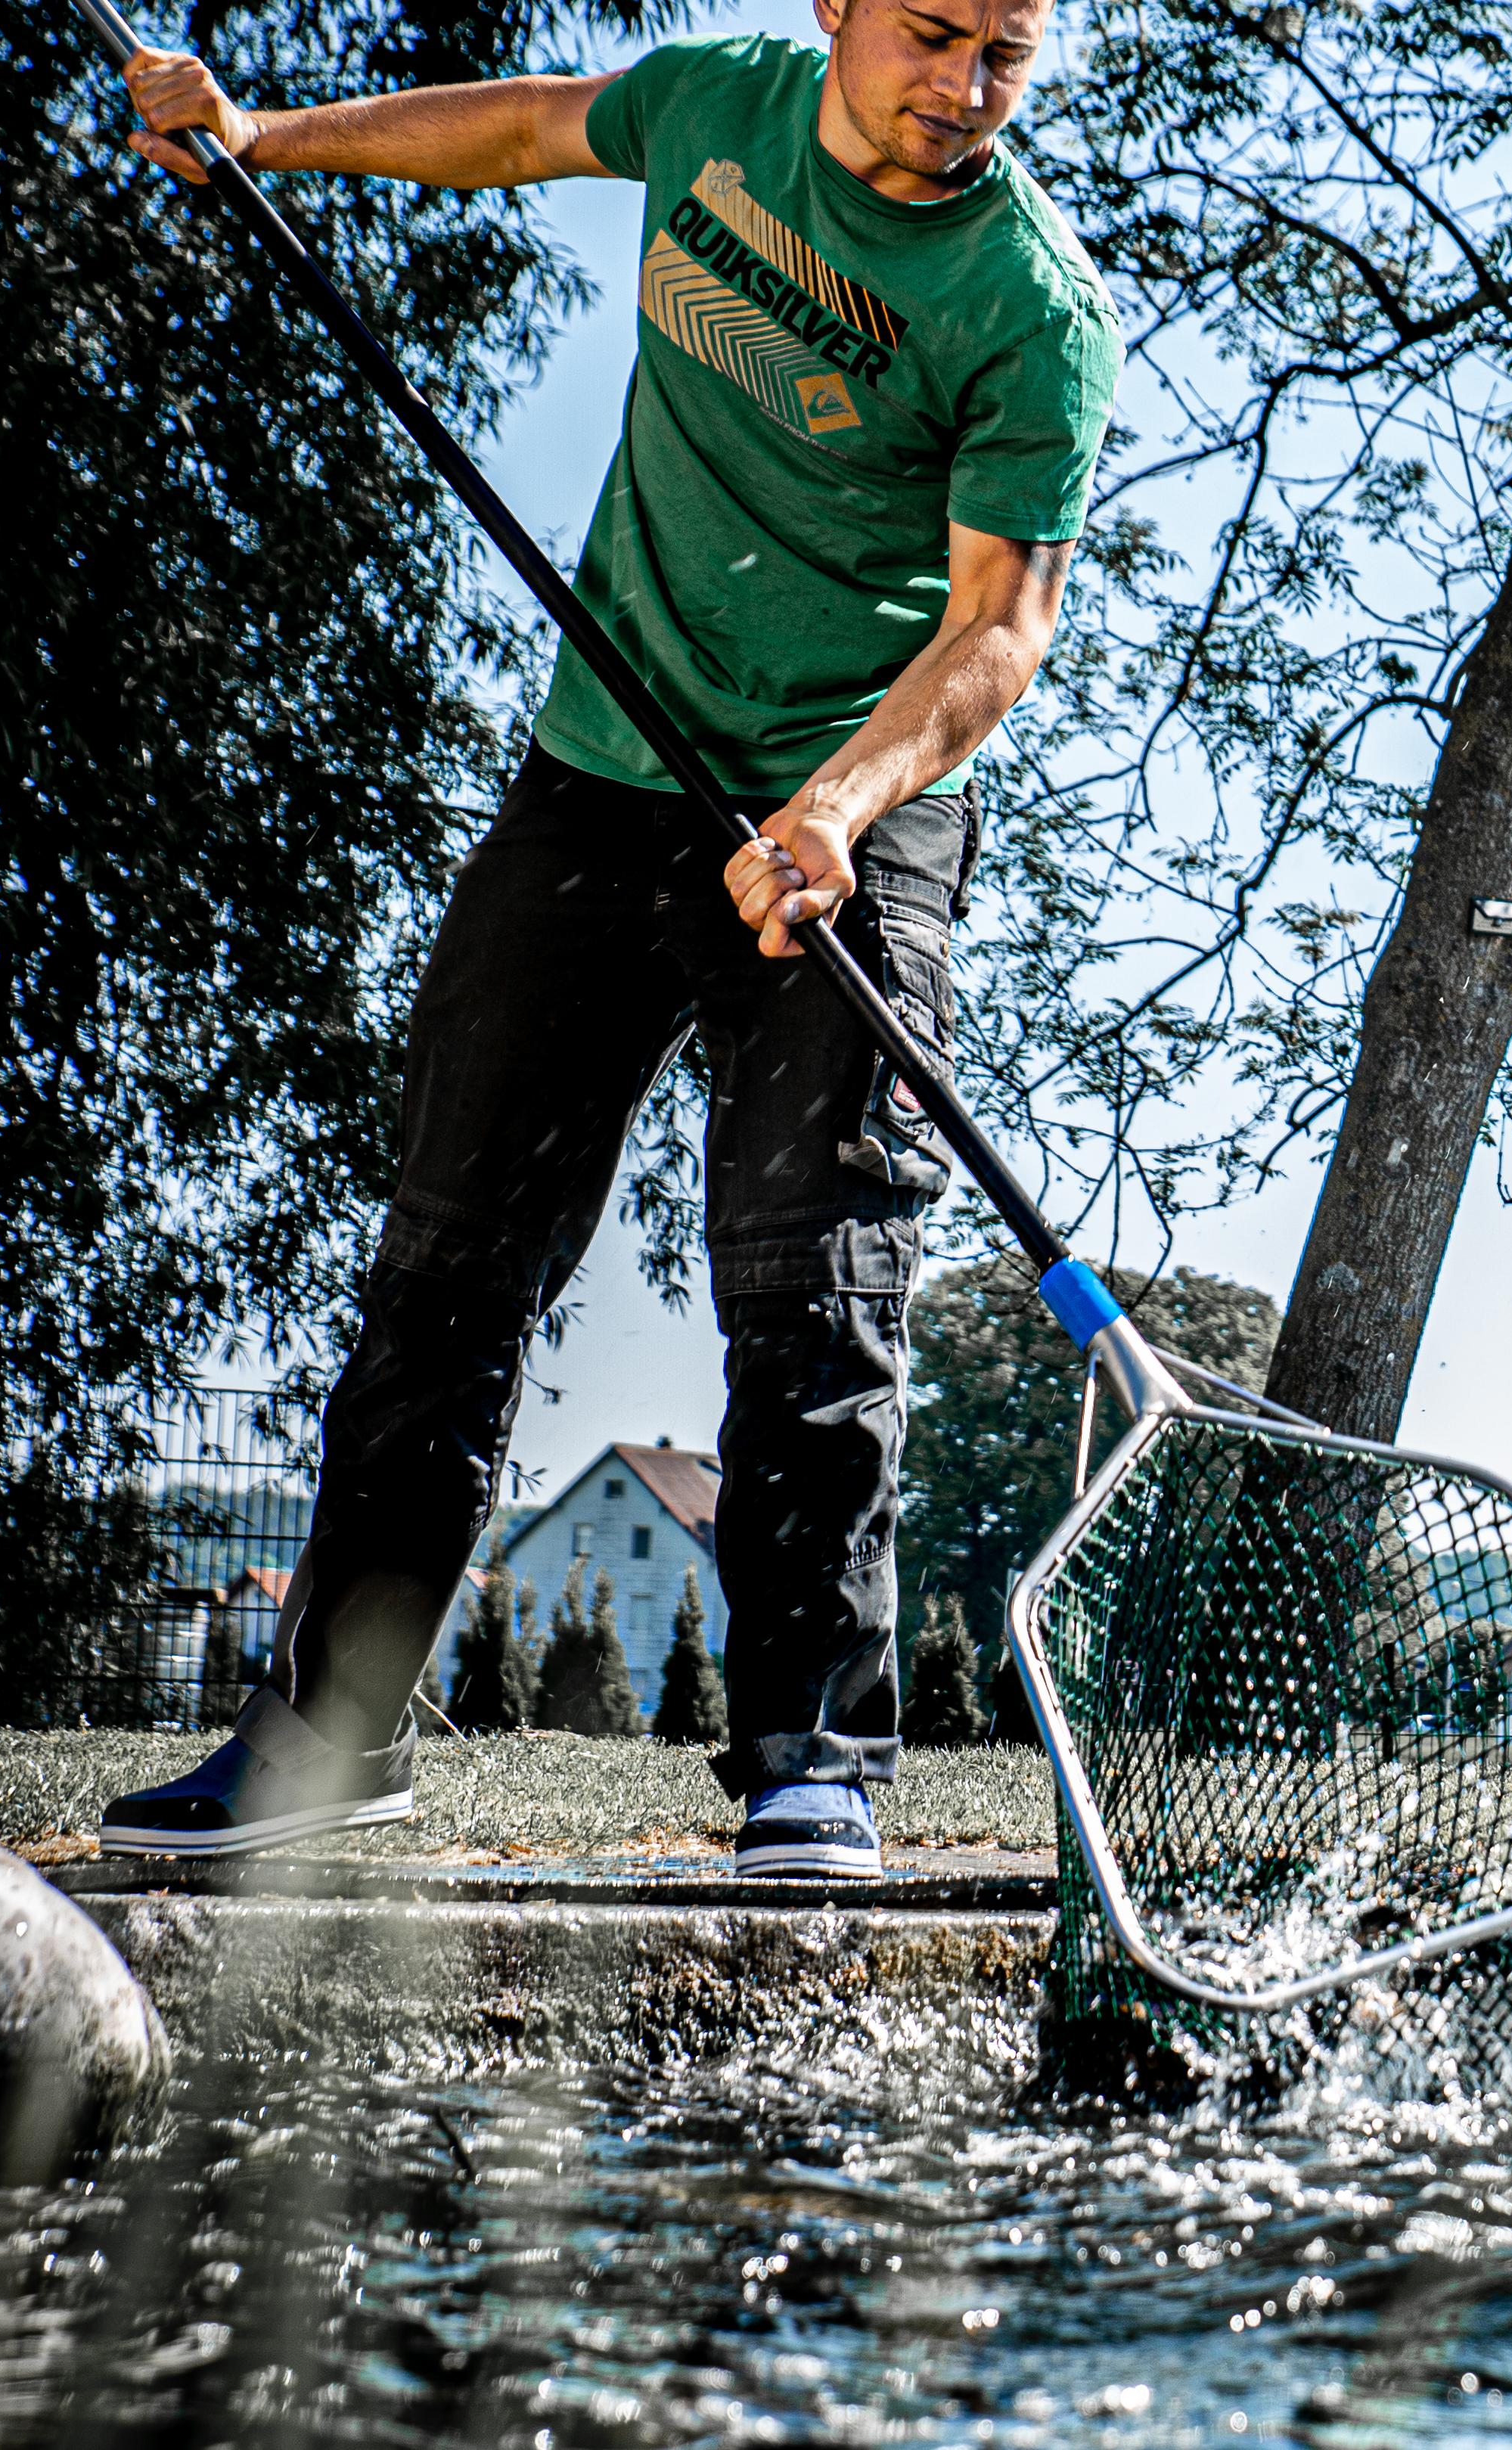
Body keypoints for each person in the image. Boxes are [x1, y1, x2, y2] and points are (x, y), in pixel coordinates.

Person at [93, 0, 1116, 1879]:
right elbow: (525, 127)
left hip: (847, 805)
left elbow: (997, 633)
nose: (962, 87)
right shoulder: (718, 101)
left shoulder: (1023, 301)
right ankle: (331, 1732)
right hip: (598, 773)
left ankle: (813, 1755)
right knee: (451, 1262)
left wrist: (836, 803)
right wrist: (265, 134)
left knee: (814, 1286)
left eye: (1007, 54)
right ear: (834, 9)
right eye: (933, 32)